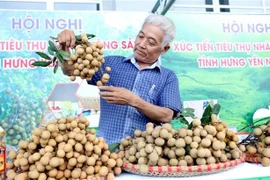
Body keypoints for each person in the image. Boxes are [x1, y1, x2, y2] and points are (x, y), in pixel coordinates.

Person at [57, 14, 182, 145]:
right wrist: (64, 47)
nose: (141, 44)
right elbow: (69, 70)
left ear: (164, 49)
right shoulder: (110, 64)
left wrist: (133, 101)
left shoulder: (168, 77)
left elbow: (166, 115)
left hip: (140, 156)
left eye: (151, 42)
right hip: (105, 154)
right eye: (140, 36)